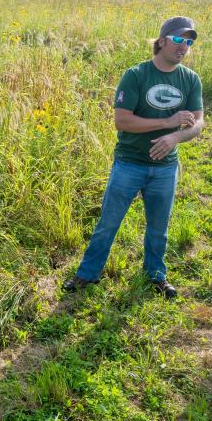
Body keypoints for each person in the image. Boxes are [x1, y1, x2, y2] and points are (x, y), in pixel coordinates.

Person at [63, 16, 204, 298]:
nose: (183, 47)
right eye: (178, 40)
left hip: (165, 167)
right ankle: (87, 275)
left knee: (158, 229)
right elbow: (122, 122)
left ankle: (155, 275)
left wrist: (175, 137)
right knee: (108, 224)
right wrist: (169, 122)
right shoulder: (136, 75)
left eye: (188, 42)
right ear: (161, 41)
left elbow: (198, 123)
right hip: (129, 163)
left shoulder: (190, 80)